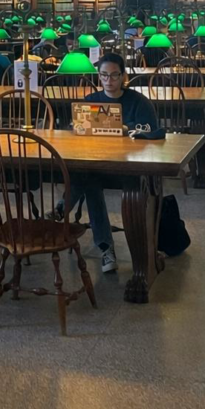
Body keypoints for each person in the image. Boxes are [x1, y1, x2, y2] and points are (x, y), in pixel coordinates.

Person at [58, 53, 159, 274]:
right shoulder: (90, 102)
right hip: (96, 164)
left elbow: (153, 131)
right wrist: (76, 128)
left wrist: (125, 129)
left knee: (85, 179)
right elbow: (76, 133)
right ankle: (106, 248)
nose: (109, 81)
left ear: (123, 76)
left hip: (129, 166)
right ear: (98, 76)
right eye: (104, 75)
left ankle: (62, 209)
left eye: (114, 75)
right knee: (88, 180)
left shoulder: (138, 103)